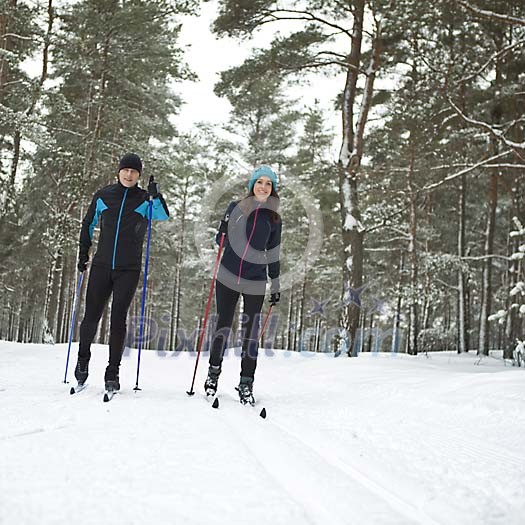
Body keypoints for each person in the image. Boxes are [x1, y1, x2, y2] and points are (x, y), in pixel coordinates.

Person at [74, 153, 169, 391]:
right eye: (125, 170)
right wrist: (83, 253)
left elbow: (163, 215)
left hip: (129, 268)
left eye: (134, 171)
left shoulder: (144, 200)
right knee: (91, 317)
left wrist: (156, 195)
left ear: (139, 175)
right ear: (119, 171)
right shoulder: (104, 195)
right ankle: (82, 361)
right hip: (102, 265)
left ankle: (112, 372)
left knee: (118, 318)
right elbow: (88, 224)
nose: (129, 175)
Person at [205, 166, 282, 405]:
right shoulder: (235, 209)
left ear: (272, 189)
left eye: (268, 184)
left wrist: (275, 283)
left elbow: (274, 251)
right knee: (223, 326)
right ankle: (212, 376)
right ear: (252, 186)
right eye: (259, 182)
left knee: (251, 333)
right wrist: (224, 230)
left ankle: (246, 383)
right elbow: (220, 240)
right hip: (228, 275)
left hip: (255, 278)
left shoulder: (274, 218)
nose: (263, 187)